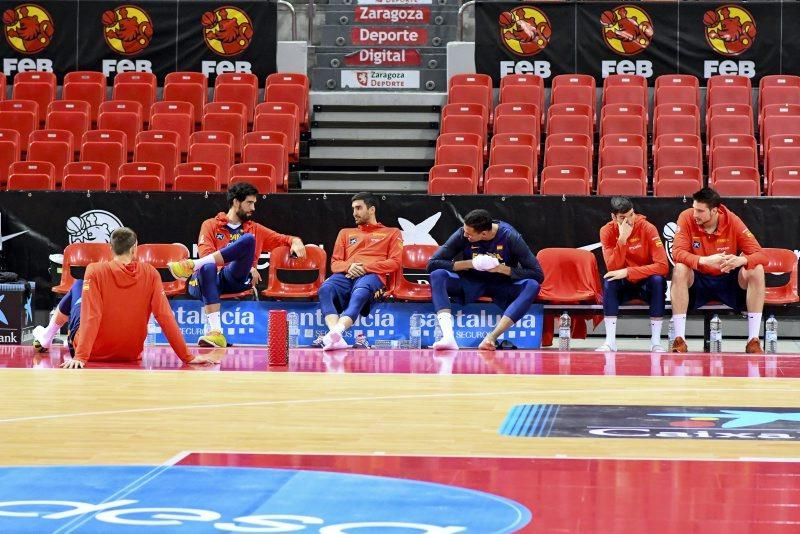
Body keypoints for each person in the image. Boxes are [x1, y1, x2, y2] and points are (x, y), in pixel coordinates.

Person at [32, 227, 214, 369]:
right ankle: (47, 336)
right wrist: (187, 356)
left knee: (78, 286)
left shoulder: (94, 271)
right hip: (130, 353)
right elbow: (165, 317)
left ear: (110, 249)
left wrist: (80, 356)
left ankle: (47, 335)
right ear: (135, 248)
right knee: (79, 288)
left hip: (92, 352)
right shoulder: (151, 273)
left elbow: (91, 316)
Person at [168, 182, 306, 348]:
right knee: (207, 265)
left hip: (234, 279)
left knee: (248, 240)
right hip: (206, 280)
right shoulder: (210, 225)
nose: (253, 208)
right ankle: (216, 332)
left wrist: (295, 241)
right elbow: (207, 256)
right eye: (249, 203)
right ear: (235, 202)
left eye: (254, 203)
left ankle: (191, 265)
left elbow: (283, 239)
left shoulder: (254, 229)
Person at [427, 209, 544, 351]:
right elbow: (432, 264)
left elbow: (537, 274)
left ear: (483, 234)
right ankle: (448, 338)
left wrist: (501, 269)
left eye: (469, 234)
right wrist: (471, 263)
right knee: (437, 275)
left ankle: (491, 338)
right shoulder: (462, 234)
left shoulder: (510, 236)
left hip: (502, 283)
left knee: (532, 285)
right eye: (465, 231)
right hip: (472, 281)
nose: (465, 235)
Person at [671, 187, 768, 353]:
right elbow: (677, 253)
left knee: (756, 269)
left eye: (700, 211)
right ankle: (679, 340)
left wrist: (741, 260)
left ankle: (753, 340)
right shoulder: (686, 217)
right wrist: (704, 260)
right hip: (699, 280)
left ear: (714, 211)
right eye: (694, 209)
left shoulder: (733, 221)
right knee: (680, 269)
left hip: (728, 279)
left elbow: (761, 255)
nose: (695, 214)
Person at [317, 192, 403, 350]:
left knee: (360, 292)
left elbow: (395, 263)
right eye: (353, 209)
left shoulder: (392, 232)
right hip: (346, 274)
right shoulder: (345, 233)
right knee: (325, 289)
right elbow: (335, 264)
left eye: (358, 208)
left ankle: (336, 332)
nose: (354, 213)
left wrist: (364, 268)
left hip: (373, 275)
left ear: (372, 210)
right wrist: (349, 267)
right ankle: (336, 337)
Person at [598, 197, 669, 352]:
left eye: (631, 215)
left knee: (658, 280)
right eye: (623, 218)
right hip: (623, 285)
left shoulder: (648, 228)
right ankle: (610, 342)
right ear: (613, 217)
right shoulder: (607, 231)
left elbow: (663, 267)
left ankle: (656, 342)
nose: (629, 220)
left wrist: (628, 272)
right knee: (609, 281)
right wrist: (622, 239)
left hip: (645, 283)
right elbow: (612, 267)